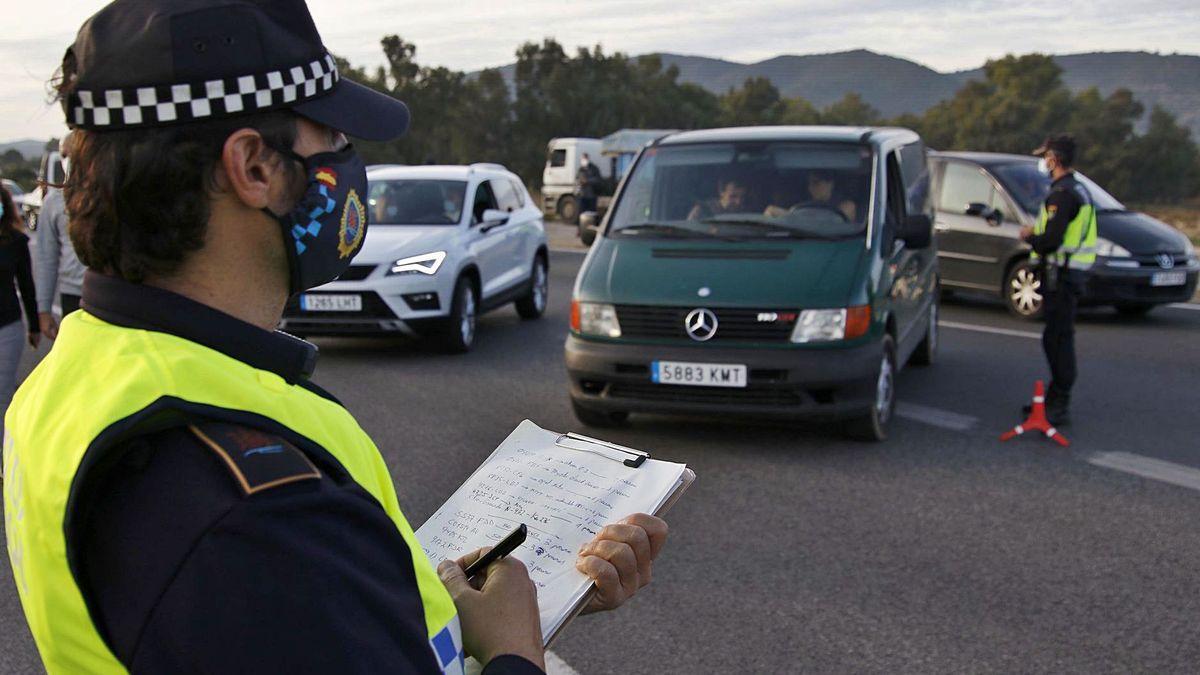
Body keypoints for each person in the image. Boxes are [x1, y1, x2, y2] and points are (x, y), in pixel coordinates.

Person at [3, 2, 668, 673]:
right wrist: (514, 650)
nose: (351, 166)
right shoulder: (260, 514)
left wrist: (453, 605)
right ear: (255, 167)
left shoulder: (77, 374)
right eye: (335, 141)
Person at [1019, 134, 1097, 426]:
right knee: (1057, 336)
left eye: (1045, 156)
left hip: (1062, 276)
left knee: (1058, 339)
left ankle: (1059, 403)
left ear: (1054, 158)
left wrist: (1030, 237)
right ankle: (1052, 399)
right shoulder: (1077, 189)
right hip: (1067, 273)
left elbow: (1051, 239)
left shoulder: (1062, 194)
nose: (1044, 162)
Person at [34, 130, 87, 339]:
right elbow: (46, 257)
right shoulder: (54, 202)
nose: (68, 160)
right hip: (72, 296)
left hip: (112, 296)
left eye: (73, 153)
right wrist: (44, 309)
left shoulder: (111, 195)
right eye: (64, 155)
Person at [0, 184, 39, 432]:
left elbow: (26, 285)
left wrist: (34, 325)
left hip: (8, 327)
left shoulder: (16, 242)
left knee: (2, 396)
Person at [763, 170, 856, 221]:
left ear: (830, 184)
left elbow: (834, 224)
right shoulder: (800, 202)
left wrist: (789, 216)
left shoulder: (847, 205)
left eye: (816, 183)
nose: (810, 188)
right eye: (809, 184)